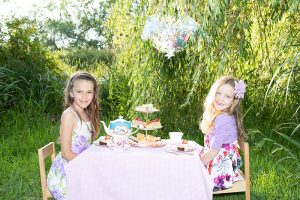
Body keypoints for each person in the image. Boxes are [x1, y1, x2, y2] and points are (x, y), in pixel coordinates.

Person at [47, 72, 100, 199]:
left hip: (79, 165)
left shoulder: (86, 113)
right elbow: (66, 153)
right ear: (71, 93)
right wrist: (88, 167)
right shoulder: (69, 115)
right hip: (65, 173)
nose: (84, 96)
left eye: (89, 92)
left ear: (94, 94)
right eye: (79, 91)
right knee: (99, 186)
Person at [199, 76, 247, 191]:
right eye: (218, 93)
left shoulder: (224, 119)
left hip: (220, 169)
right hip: (220, 160)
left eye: (227, 96)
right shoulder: (220, 114)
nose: (220, 98)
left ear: (234, 101)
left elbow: (214, 150)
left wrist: (198, 165)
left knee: (186, 174)